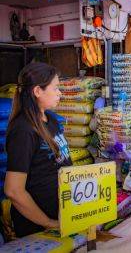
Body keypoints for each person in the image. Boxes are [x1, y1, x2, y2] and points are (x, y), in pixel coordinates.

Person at [4, 62, 71, 237]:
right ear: (37, 91)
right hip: (38, 227)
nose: (60, 93)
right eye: (55, 88)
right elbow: (13, 190)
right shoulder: (23, 130)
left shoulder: (52, 120)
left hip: (60, 217)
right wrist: (48, 223)